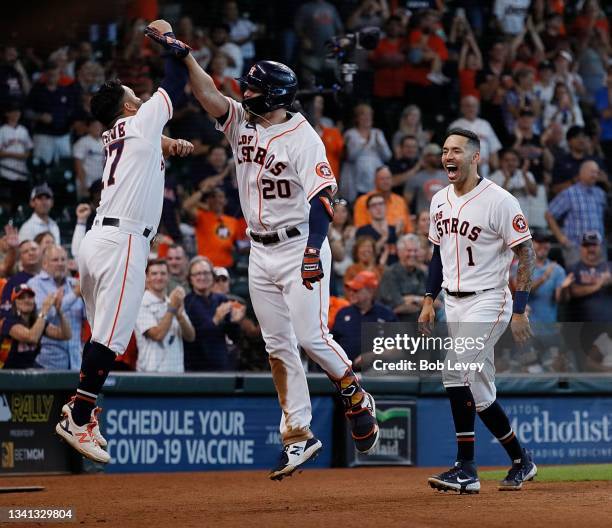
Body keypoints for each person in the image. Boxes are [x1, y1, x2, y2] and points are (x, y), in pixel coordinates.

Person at [166, 33, 380, 479]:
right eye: (246, 88)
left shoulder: (304, 138)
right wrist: (186, 59)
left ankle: (354, 391)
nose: (245, 94)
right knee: (277, 345)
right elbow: (209, 95)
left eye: (254, 89)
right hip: (259, 251)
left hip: (299, 240)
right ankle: (298, 435)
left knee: (311, 336)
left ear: (276, 96)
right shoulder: (241, 120)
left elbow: (324, 198)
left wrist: (311, 250)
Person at [55, 18, 194, 464]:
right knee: (111, 340)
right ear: (129, 108)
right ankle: (78, 416)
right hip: (125, 241)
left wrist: (165, 143)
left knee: (101, 337)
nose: (141, 99)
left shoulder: (118, 133)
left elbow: (148, 137)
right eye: (135, 99)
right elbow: (176, 79)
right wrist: (166, 38)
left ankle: (81, 410)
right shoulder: (138, 123)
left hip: (98, 238)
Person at [419, 128, 537, 493]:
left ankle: (466, 469)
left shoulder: (500, 200)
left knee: (455, 373)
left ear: (475, 157)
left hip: (489, 298)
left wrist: (520, 309)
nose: (448, 156)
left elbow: (526, 254)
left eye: (456, 150)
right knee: (481, 392)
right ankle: (522, 460)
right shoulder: (439, 199)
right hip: (453, 300)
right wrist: (428, 299)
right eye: (444, 150)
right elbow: (437, 254)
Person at [27, 245, 86, 370]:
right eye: (55, 260)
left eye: (63, 259)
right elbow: (43, 317)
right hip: (47, 364)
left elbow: (88, 318)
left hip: (76, 363)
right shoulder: (34, 284)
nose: (60, 264)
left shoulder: (74, 284)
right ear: (44, 264)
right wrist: (74, 295)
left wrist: (89, 298)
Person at [183, 256, 244, 371]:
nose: (202, 277)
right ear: (190, 279)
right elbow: (193, 338)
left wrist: (235, 322)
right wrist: (215, 320)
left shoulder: (221, 299)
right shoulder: (187, 302)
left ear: (212, 276)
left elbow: (234, 337)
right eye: (197, 274)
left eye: (206, 273)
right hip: (197, 368)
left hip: (222, 364)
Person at [135, 259, 195, 373]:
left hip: (176, 372)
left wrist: (180, 316)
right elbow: (157, 335)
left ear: (168, 277)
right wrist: (172, 308)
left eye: (163, 273)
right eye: (154, 274)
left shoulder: (172, 301)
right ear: (147, 278)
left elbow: (190, 336)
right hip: (150, 372)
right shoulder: (141, 304)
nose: (159, 277)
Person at [546, 160, 607, 268]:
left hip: (598, 247)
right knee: (575, 281)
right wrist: (561, 238)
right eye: (592, 172)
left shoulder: (600, 193)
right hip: (576, 247)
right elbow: (549, 214)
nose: (595, 175)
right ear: (582, 172)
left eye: (597, 172)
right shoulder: (569, 193)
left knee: (602, 282)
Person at [332, 271, 396, 364]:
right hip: (345, 372)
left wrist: (372, 356)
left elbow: (398, 348)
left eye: (356, 290)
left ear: (370, 291)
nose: (351, 293)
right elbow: (332, 343)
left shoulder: (386, 315)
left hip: (378, 372)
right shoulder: (342, 313)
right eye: (350, 290)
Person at [0, 284, 70, 369]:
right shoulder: (8, 321)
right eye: (21, 297)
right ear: (15, 303)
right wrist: (45, 309)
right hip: (5, 372)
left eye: (30, 297)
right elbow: (31, 337)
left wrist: (60, 311)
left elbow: (65, 335)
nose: (26, 300)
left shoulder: (37, 322)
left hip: (27, 371)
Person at [340, 103, 392, 202]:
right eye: (363, 114)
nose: (367, 117)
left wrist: (380, 145)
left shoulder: (377, 133)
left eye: (369, 115)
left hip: (375, 180)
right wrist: (365, 143)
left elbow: (387, 156)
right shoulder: (350, 134)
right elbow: (350, 156)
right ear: (357, 118)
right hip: (356, 181)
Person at [378, 234, 427, 322]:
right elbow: (398, 306)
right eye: (408, 251)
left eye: (415, 251)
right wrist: (423, 303)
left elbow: (437, 303)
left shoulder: (422, 273)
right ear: (399, 252)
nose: (412, 254)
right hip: (398, 324)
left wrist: (413, 299)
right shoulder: (390, 274)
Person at [448, 96, 502, 177]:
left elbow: (494, 148)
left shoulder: (485, 124)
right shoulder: (455, 126)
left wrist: (494, 168)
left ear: (478, 108)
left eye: (474, 106)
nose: (471, 108)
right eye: (467, 106)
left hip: (485, 170)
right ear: (462, 108)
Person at [352, 165, 412, 233]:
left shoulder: (400, 201)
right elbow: (361, 229)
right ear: (375, 181)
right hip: (372, 240)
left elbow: (408, 229)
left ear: (392, 180)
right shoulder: (362, 201)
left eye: (388, 178)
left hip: (399, 240)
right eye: (382, 179)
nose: (386, 181)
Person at [0, 102, 32, 212]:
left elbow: (29, 151)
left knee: (21, 203)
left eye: (17, 111)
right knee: (6, 203)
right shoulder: (2, 130)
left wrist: (22, 156)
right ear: (7, 114)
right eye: (13, 111)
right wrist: (17, 155)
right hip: (6, 172)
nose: (16, 114)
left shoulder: (23, 130)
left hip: (22, 172)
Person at [355, 193, 398, 265]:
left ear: (386, 207)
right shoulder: (362, 231)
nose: (378, 208)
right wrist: (384, 238)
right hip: (372, 270)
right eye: (374, 205)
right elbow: (364, 257)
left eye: (381, 204)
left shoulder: (394, 230)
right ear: (368, 210)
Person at [404, 143, 446, 215]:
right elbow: (406, 204)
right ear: (426, 157)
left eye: (439, 155)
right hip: (424, 220)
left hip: (445, 218)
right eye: (435, 155)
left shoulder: (447, 175)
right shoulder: (415, 178)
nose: (439, 158)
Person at [0, 239, 41, 311]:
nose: (30, 253)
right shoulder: (13, 283)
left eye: (34, 249)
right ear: (20, 258)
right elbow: (6, 312)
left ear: (41, 253)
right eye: (25, 252)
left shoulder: (53, 277)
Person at [72, 118, 104, 198]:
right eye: (94, 126)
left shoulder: (104, 142)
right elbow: (78, 164)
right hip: (86, 182)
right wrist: (83, 184)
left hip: (100, 182)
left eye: (99, 126)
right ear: (88, 128)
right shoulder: (82, 142)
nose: (97, 128)